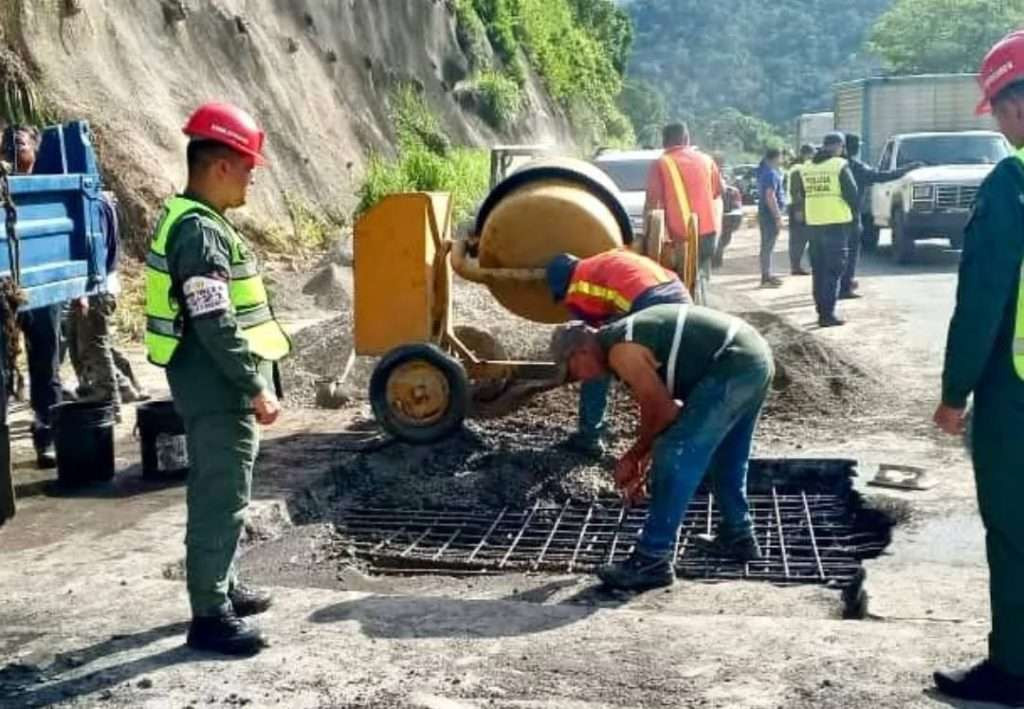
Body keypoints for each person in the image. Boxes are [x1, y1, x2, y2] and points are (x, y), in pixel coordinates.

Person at [144, 102, 291, 656]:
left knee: (225, 489)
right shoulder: (200, 234)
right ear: (222, 165)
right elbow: (215, 320)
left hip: (210, 383)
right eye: (249, 167)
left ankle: (222, 586)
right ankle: (209, 615)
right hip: (218, 386)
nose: (253, 178)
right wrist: (252, 386)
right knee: (219, 496)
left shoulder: (195, 220)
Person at [551, 304, 774, 591]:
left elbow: (664, 412)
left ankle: (652, 559)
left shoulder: (622, 350)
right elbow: (654, 409)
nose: (577, 379)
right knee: (726, 455)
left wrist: (633, 456)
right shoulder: (622, 342)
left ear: (581, 352)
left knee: (674, 451)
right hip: (752, 358)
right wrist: (641, 458)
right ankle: (739, 535)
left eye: (572, 370)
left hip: (733, 362)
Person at [932, 30, 1024, 706]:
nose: (995, 120)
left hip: (1015, 393)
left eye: (995, 106)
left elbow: (983, 301)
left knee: (1015, 531)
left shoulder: (1012, 185)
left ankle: (1013, 669)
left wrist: (953, 392)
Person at [545, 249, 691, 457]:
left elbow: (590, 346)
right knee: (672, 372)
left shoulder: (578, 286)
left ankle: (590, 436)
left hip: (649, 303)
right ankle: (681, 434)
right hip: (678, 294)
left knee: (596, 362)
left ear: (564, 284)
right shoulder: (603, 259)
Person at [1, 124, 63, 468]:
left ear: (35, 152)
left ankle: (48, 438)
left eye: (19, 144)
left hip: (41, 291)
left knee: (46, 367)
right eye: (6, 145)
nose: (11, 149)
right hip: (4, 293)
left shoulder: (48, 192)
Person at [67, 190, 148, 418]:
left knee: (93, 345)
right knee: (85, 341)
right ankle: (124, 386)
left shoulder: (93, 206)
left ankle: (109, 399)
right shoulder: (103, 201)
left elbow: (95, 248)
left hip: (96, 287)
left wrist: (84, 289)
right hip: (103, 284)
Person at [644, 122, 722, 303]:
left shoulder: (661, 163)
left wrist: (649, 239)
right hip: (709, 235)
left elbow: (652, 204)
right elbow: (718, 191)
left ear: (664, 142)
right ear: (687, 139)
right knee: (699, 277)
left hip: (680, 240)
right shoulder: (707, 160)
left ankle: (688, 315)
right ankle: (701, 307)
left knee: (682, 285)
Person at [788, 133, 858, 327]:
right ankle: (828, 316)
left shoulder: (807, 167)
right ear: (839, 147)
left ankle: (821, 312)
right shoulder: (839, 165)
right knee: (833, 271)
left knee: (818, 271)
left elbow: (802, 194)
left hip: (814, 226)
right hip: (836, 225)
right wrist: (854, 218)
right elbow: (853, 195)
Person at [840, 133, 917, 298]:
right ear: (852, 148)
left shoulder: (828, 165)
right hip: (849, 216)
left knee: (834, 254)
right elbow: (881, 177)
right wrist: (908, 168)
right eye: (857, 146)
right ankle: (845, 286)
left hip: (825, 217)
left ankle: (838, 285)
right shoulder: (855, 166)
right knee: (851, 252)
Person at [755, 148, 786, 287]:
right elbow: (770, 196)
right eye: (781, 157)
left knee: (766, 246)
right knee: (768, 246)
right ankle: (766, 277)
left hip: (764, 213)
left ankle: (767, 275)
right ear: (776, 157)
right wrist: (778, 217)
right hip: (769, 215)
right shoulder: (771, 174)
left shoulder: (763, 171)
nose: (782, 160)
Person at [787, 144, 815, 276]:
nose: (813, 157)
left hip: (801, 206)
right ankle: (795, 266)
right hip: (798, 207)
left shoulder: (800, 166)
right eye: (811, 154)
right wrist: (799, 210)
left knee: (801, 237)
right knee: (798, 238)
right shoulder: (798, 169)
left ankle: (797, 265)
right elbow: (796, 191)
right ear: (806, 154)